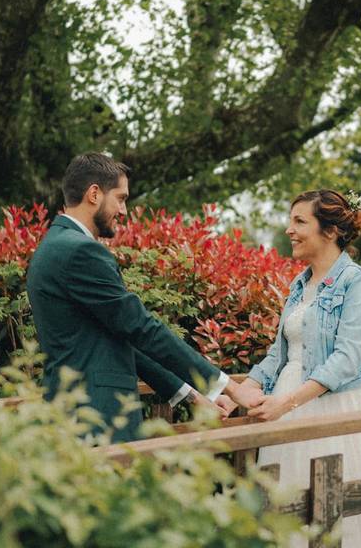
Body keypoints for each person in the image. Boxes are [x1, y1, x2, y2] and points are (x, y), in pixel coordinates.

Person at [26, 152, 264, 442]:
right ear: (94, 194)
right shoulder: (80, 252)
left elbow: (120, 341)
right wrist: (230, 387)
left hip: (72, 412)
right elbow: (141, 328)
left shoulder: (55, 244)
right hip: (96, 417)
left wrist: (195, 397)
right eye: (121, 198)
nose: (124, 211)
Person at [232, 189, 361, 547]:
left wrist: (289, 403)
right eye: (290, 221)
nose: (289, 230)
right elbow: (279, 354)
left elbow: (347, 359)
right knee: (286, 510)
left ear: (330, 231)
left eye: (300, 221)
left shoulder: (358, 283)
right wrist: (243, 390)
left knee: (340, 514)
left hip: (333, 410)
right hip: (286, 409)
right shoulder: (299, 285)